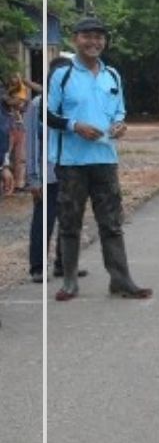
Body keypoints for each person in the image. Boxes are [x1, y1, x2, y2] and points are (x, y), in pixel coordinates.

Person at [46, 16, 151, 302]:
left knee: (112, 222)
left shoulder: (112, 75)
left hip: (105, 159)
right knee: (70, 223)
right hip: (71, 163)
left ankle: (121, 280)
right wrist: (74, 126)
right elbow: (48, 114)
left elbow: (119, 111)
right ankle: (69, 281)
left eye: (99, 37)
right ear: (75, 39)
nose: (94, 42)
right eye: (87, 36)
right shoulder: (61, 75)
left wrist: (120, 125)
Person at [25, 58, 88, 283]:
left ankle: (65, 264)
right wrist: (33, 178)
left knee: (71, 220)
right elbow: (32, 142)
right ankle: (38, 267)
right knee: (45, 220)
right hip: (48, 174)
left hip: (73, 171)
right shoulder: (38, 105)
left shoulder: (76, 104)